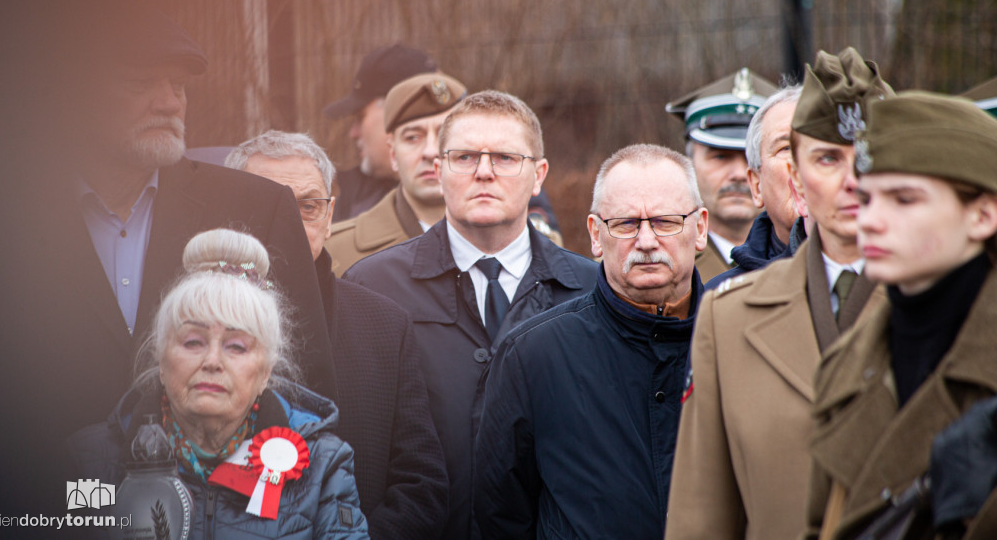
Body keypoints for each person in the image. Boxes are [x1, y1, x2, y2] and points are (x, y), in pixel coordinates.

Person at [0, 13, 336, 516]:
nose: (170, 102)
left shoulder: (258, 208)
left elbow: (306, 380)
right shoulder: (0, 221)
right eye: (140, 82)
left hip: (230, 513)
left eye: (180, 85)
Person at [342, 90, 597, 540]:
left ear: (538, 175)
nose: (483, 172)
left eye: (504, 157)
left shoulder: (591, 291)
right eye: (464, 157)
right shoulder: (372, 288)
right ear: (438, 172)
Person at [666, 47, 892, 540]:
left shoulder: (969, 302)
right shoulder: (728, 319)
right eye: (828, 158)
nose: (852, 181)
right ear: (796, 177)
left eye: (873, 155)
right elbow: (702, 517)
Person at [69, 228, 369, 538]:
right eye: (193, 342)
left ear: (266, 371)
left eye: (236, 346)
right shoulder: (93, 460)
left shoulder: (321, 465)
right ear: (161, 360)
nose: (212, 361)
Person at [474, 144, 708, 540]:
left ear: (700, 228)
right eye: (626, 224)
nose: (647, 241)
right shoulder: (534, 355)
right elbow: (500, 514)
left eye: (666, 222)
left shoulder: (741, 341)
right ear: (595, 235)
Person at [226, 130, 449, 540]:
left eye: (308, 206)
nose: (290, 224)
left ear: (329, 218)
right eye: (269, 204)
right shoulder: (189, 326)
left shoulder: (385, 326)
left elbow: (422, 486)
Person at [804, 92, 997, 540]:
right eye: (868, 199)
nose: (870, 221)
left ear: (983, 215)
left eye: (904, 200)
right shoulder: (845, 365)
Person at [326, 72, 466, 275]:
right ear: (392, 153)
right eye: (412, 137)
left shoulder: (511, 240)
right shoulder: (337, 253)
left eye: (445, 135)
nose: (430, 151)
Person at [666, 68, 778, 282]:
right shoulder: (656, 261)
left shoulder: (816, 258)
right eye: (720, 157)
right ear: (688, 166)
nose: (738, 174)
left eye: (751, 158)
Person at [706, 84, 805, 288]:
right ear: (756, 184)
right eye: (785, 148)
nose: (804, 164)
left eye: (826, 153)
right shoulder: (719, 301)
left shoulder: (884, 277)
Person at [325, 43, 438, 221]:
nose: (353, 133)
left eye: (360, 117)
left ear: (396, 113)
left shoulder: (469, 196)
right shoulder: (342, 195)